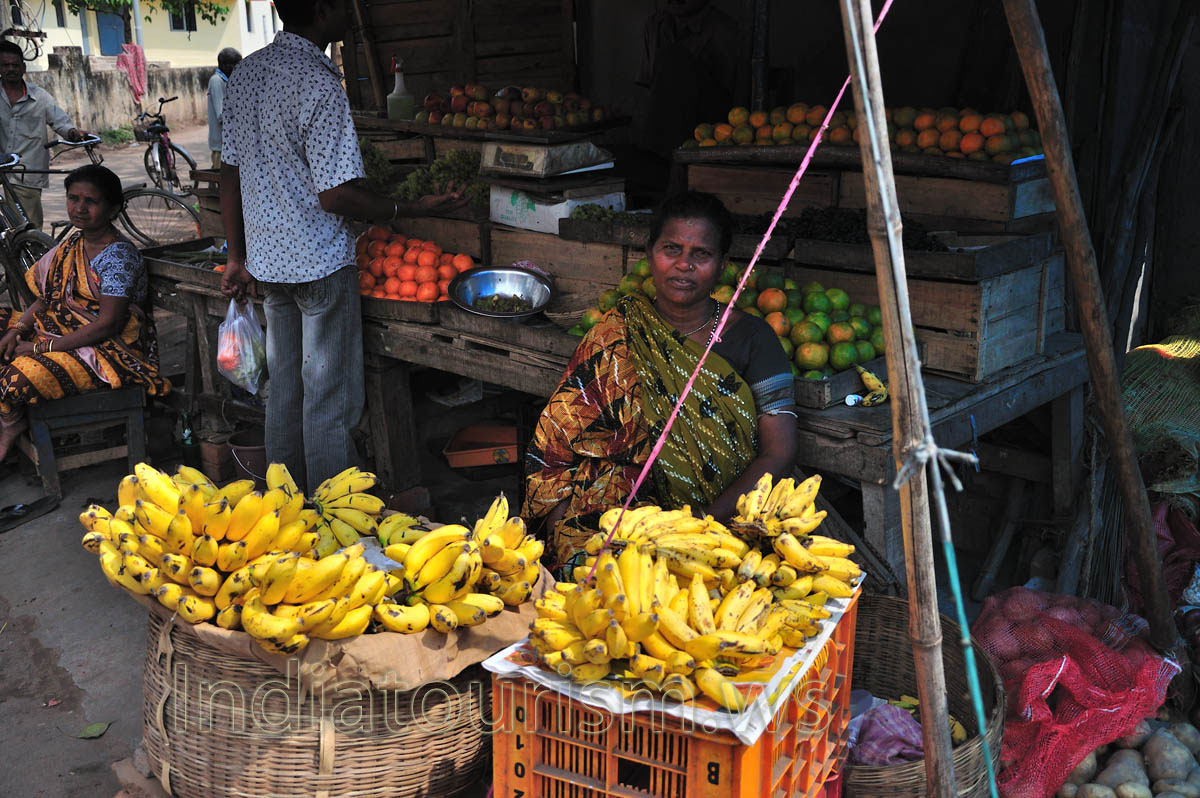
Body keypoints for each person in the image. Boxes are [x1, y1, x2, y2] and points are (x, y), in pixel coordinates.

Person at [219, 0, 462, 493]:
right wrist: (403, 209)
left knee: (284, 391)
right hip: (318, 264)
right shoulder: (318, 80)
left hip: (269, 264)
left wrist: (236, 256)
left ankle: (283, 504)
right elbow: (335, 195)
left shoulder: (245, 73)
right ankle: (335, 515)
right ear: (324, 10)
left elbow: (230, 172)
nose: (354, 12)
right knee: (327, 398)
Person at [523, 192, 797, 566]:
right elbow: (560, 433)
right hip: (618, 515)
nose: (684, 265)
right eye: (672, 249)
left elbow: (779, 451)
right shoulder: (617, 331)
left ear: (722, 266)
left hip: (725, 522)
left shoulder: (753, 338)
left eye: (701, 254)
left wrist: (704, 524)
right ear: (650, 253)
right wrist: (561, 517)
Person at [0, 165, 169, 461]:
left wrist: (40, 348)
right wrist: (16, 331)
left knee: (19, 375)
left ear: (113, 208)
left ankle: (11, 423)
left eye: (90, 201)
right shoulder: (72, 246)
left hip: (108, 352)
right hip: (61, 334)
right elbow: (45, 300)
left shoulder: (117, 256)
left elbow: (107, 325)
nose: (79, 208)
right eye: (73, 198)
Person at [0, 40, 88, 230]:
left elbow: (61, 121)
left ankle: (29, 259)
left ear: (23, 67)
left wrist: (73, 133)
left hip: (25, 171)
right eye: (5, 65)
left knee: (28, 228)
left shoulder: (40, 97)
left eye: (15, 65)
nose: (10, 69)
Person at [207, 47, 242, 170]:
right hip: (221, 144)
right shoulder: (217, 81)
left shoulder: (226, 81)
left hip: (228, 143)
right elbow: (222, 115)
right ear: (227, 66)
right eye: (237, 65)